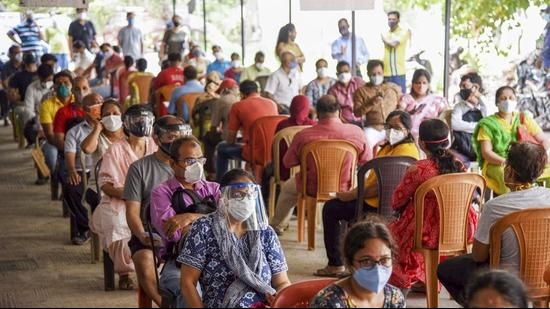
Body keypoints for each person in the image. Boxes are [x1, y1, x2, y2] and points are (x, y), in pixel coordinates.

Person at [438, 142, 550, 306]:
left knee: (445, 269)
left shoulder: (495, 206)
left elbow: (479, 255)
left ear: (510, 171)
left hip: (504, 279)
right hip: (544, 275)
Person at [315, 111, 419, 278]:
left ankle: (336, 264)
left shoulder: (406, 150)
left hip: (376, 203)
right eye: (388, 127)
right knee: (337, 206)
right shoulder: (392, 147)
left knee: (331, 208)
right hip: (383, 203)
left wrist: (351, 195)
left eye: (397, 128)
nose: (392, 131)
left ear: (407, 130)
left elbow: (379, 188)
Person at [179, 168, 291, 308]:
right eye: (238, 195)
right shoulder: (203, 229)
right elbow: (187, 282)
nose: (246, 200)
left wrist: (278, 299)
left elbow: (282, 283)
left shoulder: (265, 233)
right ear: (223, 197)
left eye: (250, 195)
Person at [387, 119, 476, 291]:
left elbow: (396, 201)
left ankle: (405, 282)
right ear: (447, 141)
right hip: (461, 228)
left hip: (427, 233)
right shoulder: (459, 165)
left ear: (421, 143)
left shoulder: (418, 169)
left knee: (391, 232)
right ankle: (424, 279)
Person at [270, 95, 371, 235]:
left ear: (317, 113)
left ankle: (278, 226)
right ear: (340, 112)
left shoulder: (303, 135)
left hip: (310, 186)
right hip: (347, 186)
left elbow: (288, 163)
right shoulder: (356, 132)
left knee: (287, 189)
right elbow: (367, 160)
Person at [90, 104, 158, 290]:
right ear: (126, 124)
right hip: (120, 201)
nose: (141, 124)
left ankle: (156, 269)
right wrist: (133, 195)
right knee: (117, 226)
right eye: (136, 121)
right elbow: (106, 185)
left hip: (154, 200)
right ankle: (125, 272)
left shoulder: (156, 146)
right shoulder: (116, 149)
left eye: (144, 120)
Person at [124, 115, 188, 306]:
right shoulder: (139, 168)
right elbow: (132, 211)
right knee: (144, 263)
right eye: (170, 137)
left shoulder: (192, 166)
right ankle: (166, 304)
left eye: (179, 137)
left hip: (185, 235)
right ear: (156, 138)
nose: (175, 142)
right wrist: (142, 235)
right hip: (151, 234)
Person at [150, 136, 220, 307]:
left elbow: (231, 225)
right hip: (179, 263)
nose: (196, 165)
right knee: (191, 290)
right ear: (173, 164)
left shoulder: (214, 189)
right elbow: (175, 233)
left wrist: (191, 217)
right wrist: (213, 220)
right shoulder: (161, 193)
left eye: (200, 160)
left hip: (218, 259)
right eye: (189, 160)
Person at [473, 86, 550, 196]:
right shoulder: (487, 124)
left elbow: (543, 140)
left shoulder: (523, 118)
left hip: (526, 160)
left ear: (516, 100)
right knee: (504, 174)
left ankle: (543, 203)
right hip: (499, 162)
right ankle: (509, 208)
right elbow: (487, 153)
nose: (507, 101)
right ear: (496, 102)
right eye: (503, 98)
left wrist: (539, 157)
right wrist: (508, 162)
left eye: (511, 97)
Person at [310, 220, 406, 308]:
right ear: (350, 263)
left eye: (384, 259)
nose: (378, 269)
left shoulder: (395, 298)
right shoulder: (329, 303)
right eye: (366, 261)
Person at [216, 80, 278, 181]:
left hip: (254, 153)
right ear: (257, 91)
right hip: (273, 152)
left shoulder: (238, 106)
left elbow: (231, 140)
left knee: (221, 148)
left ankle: (220, 184)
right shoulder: (272, 103)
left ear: (241, 94)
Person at [63, 93, 103, 245]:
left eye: (100, 102)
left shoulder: (113, 127)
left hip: (105, 170)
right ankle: (86, 227)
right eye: (94, 104)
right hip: (83, 170)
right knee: (71, 189)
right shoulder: (75, 132)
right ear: (85, 110)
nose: (98, 106)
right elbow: (70, 153)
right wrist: (72, 170)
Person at [353, 60, 402, 146]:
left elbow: (402, 101)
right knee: (365, 144)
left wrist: (401, 108)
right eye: (373, 74)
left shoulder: (393, 87)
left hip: (392, 127)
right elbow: (357, 113)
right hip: (373, 128)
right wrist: (371, 103)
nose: (376, 76)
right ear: (368, 74)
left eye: (379, 73)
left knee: (402, 144)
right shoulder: (361, 91)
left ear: (383, 72)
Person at [39, 71, 75, 176]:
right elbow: (49, 135)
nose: (62, 86)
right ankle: (55, 178)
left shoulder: (77, 101)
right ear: (54, 87)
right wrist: (67, 148)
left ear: (72, 85)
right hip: (53, 141)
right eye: (59, 83)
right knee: (52, 158)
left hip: (75, 140)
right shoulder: (47, 105)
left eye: (66, 83)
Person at [399, 69, 448, 142]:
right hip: (409, 136)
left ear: (428, 85)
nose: (421, 86)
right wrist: (410, 113)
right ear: (412, 84)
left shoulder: (436, 100)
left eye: (424, 83)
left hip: (431, 136)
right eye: (418, 83)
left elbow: (445, 115)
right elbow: (398, 113)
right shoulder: (406, 98)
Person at [451, 73, 490, 162]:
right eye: (460, 86)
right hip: (461, 150)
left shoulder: (487, 104)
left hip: (483, 149)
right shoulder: (459, 106)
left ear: (475, 87)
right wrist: (479, 126)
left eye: (464, 86)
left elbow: (489, 123)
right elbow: (455, 124)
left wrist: (479, 96)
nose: (461, 89)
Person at [207, 78, 239, 177]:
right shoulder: (240, 99)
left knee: (208, 138)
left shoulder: (220, 101)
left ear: (223, 90)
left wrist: (212, 134)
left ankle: (211, 171)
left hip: (229, 138)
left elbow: (214, 126)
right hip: (243, 138)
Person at [52, 77, 90, 151]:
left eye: (84, 88)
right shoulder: (63, 112)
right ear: (72, 91)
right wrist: (74, 155)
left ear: (90, 89)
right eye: (77, 89)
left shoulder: (96, 110)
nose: (81, 92)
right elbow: (59, 141)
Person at [381, 11, 410, 93]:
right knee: (387, 98)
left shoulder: (404, 32)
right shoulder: (386, 33)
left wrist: (385, 40)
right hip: (386, 72)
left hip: (398, 72)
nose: (391, 21)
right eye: (389, 19)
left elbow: (394, 44)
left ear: (398, 20)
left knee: (400, 98)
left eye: (393, 19)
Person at [18, 63, 53, 131]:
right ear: (39, 77)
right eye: (44, 80)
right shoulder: (31, 88)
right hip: (39, 118)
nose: (47, 83)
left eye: (49, 80)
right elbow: (29, 109)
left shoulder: (57, 86)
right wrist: (38, 121)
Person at [1, 46, 23, 126]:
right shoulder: (6, 66)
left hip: (22, 88)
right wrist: (11, 90)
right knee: (3, 93)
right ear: (10, 54)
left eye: (20, 52)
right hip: (11, 89)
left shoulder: (24, 65)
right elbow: (4, 82)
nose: (19, 54)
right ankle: (6, 116)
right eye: (16, 53)